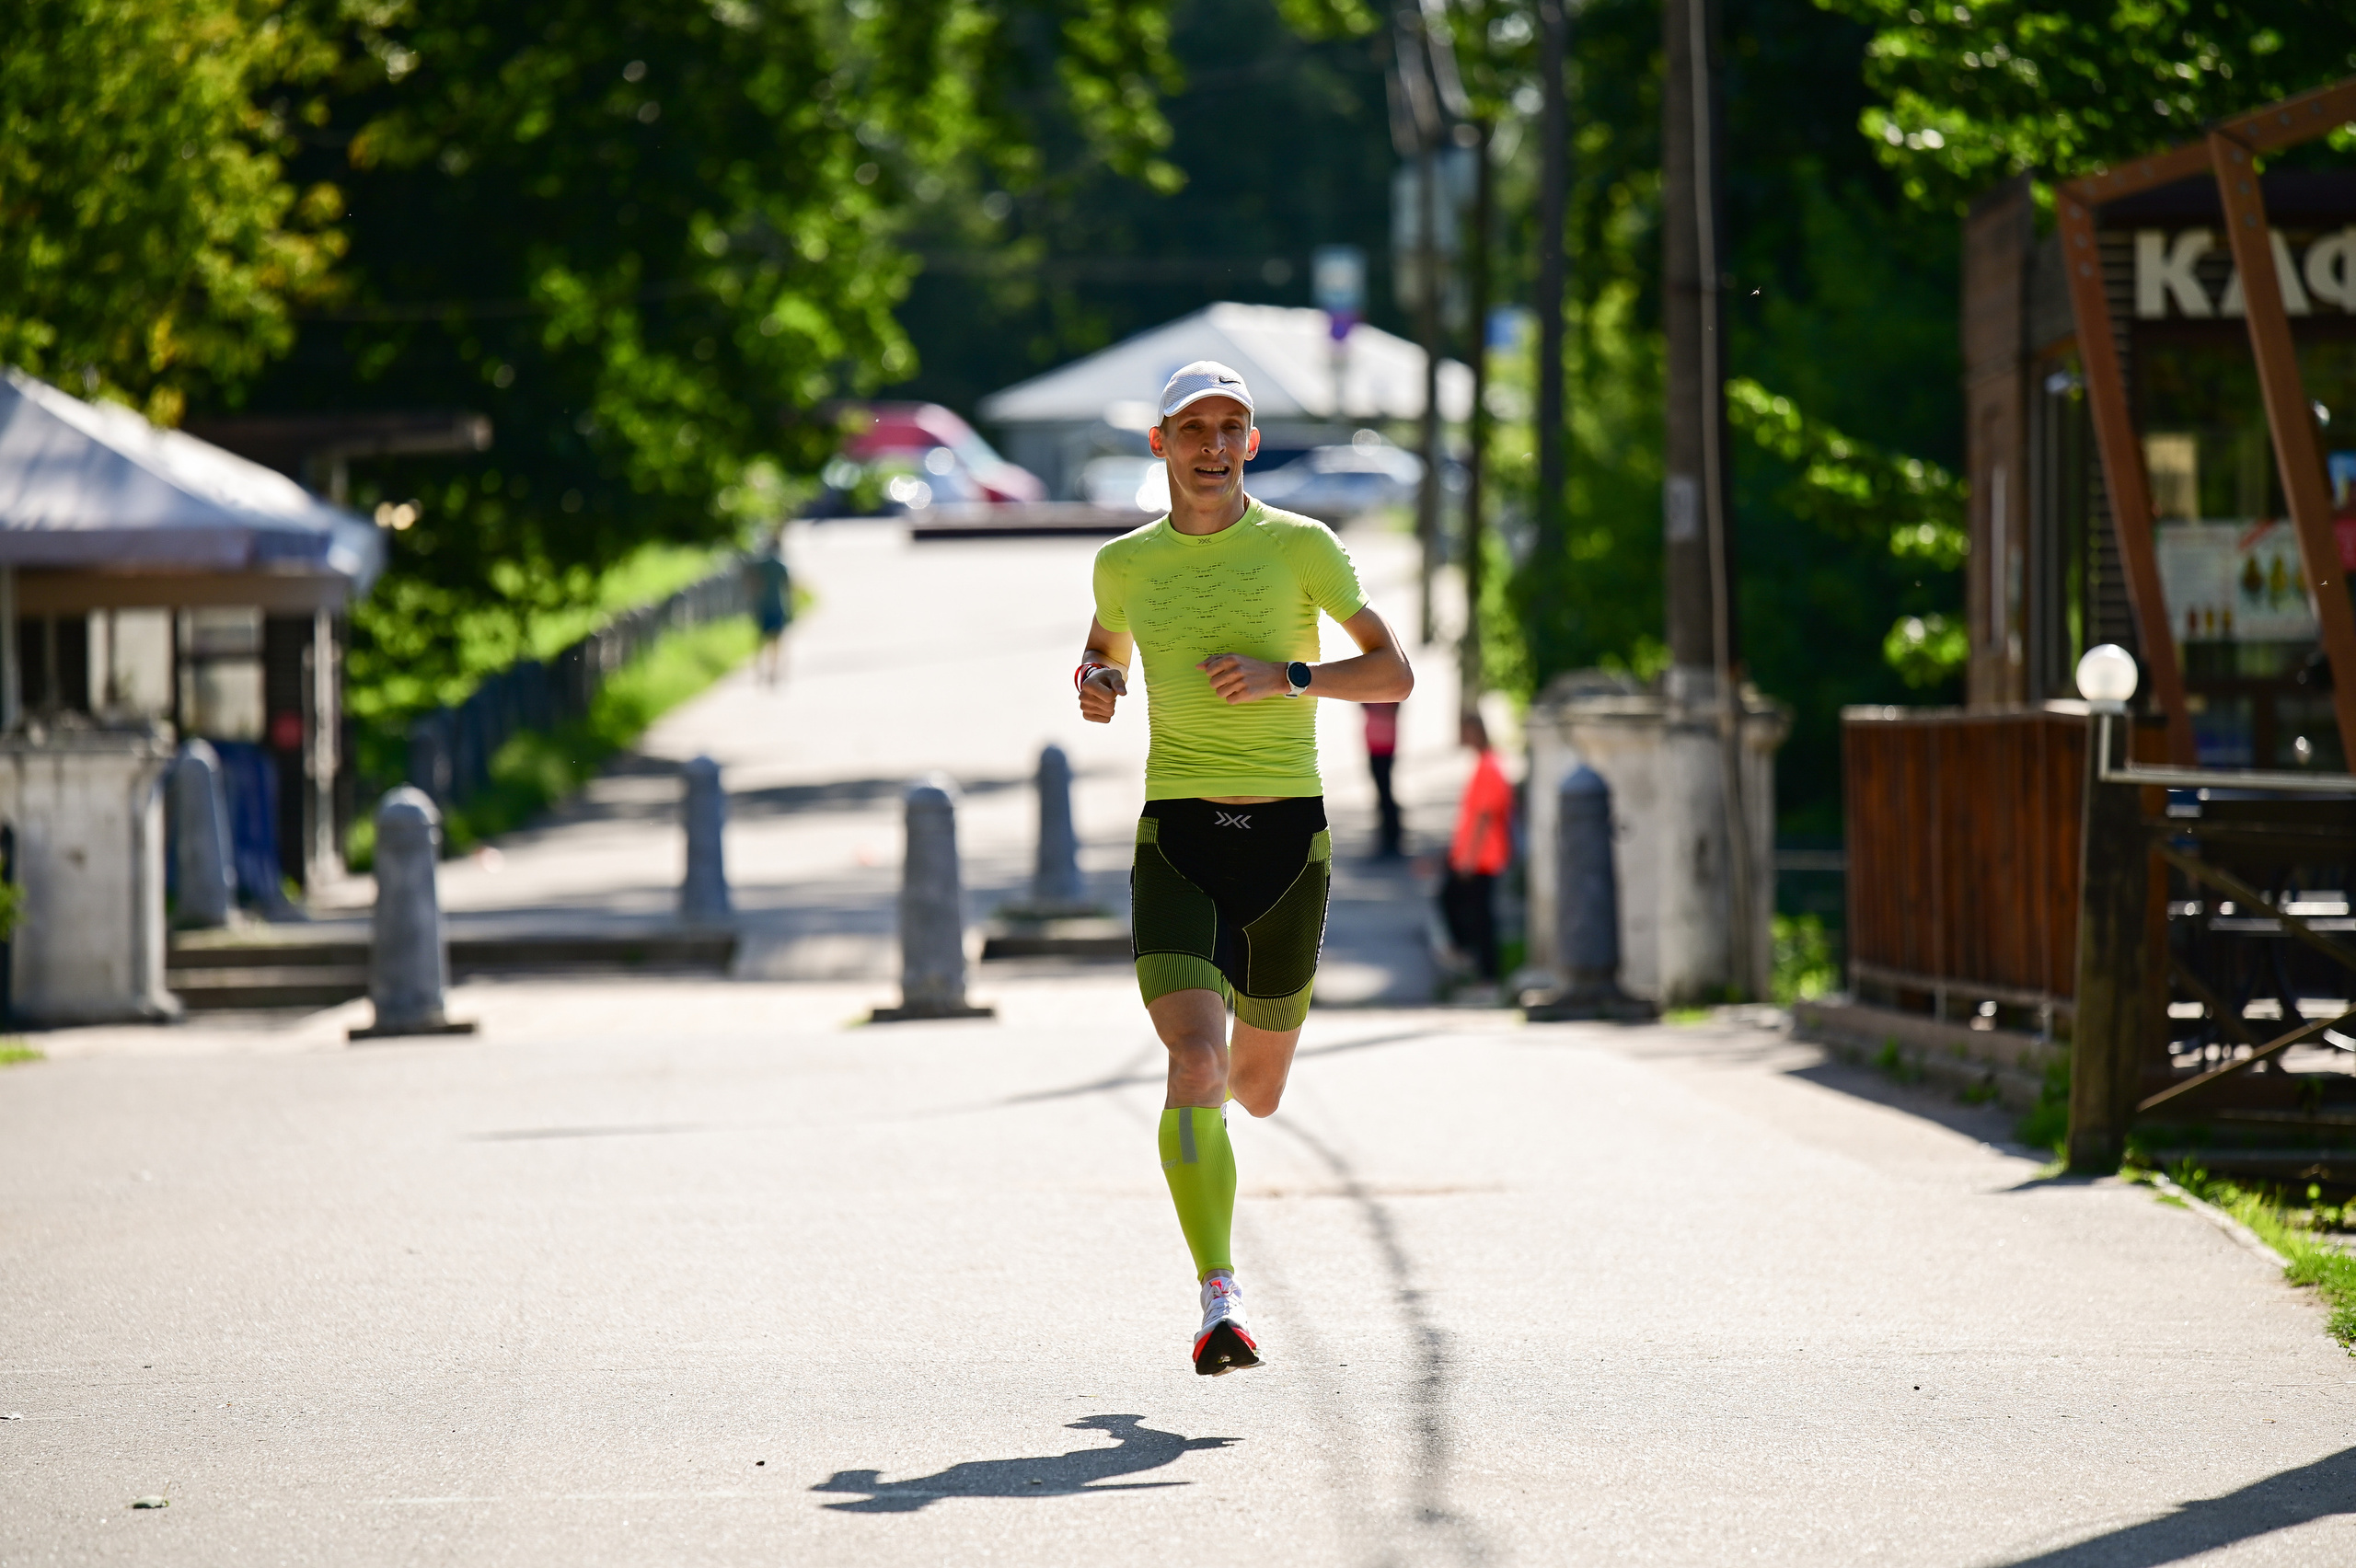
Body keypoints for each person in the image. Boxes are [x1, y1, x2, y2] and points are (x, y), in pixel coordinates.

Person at [1077, 361, 1414, 1376]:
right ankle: (1217, 1297)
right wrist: (1096, 682)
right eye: (1193, 429)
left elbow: (1393, 670)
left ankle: (1226, 1109)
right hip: (1176, 838)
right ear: (1160, 444)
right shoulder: (1123, 565)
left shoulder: (1301, 547)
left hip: (1285, 850)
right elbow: (1103, 652)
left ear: (1251, 444)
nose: (1212, 446)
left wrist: (1292, 677)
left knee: (1256, 1092)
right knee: (1195, 1064)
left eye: (1231, 427)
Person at [1440, 712, 1513, 986]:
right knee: (1465, 907)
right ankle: (1476, 963)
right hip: (1474, 855)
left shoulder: (1490, 766)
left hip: (1483, 857)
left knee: (1479, 916)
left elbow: (1485, 815)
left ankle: (1486, 972)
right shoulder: (1484, 763)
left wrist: (1468, 858)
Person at [746, 530, 793, 686]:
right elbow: (788, 587)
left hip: (764, 604)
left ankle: (759, 670)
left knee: (761, 639)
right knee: (777, 641)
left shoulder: (762, 564)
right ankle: (774, 670)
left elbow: (753, 582)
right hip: (778, 605)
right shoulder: (781, 565)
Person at [1363, 701, 1403, 857]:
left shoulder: (1392, 688)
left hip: (1385, 744)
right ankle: (1387, 835)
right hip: (1373, 743)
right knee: (1381, 793)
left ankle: (1392, 837)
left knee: (1385, 793)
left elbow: (1395, 707)